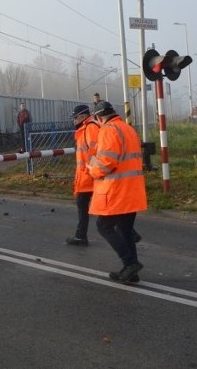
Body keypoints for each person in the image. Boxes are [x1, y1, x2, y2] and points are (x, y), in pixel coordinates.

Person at [87, 101, 148, 283]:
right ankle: (132, 272)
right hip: (132, 189)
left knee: (103, 226)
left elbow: (106, 162)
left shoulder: (108, 130)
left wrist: (91, 169)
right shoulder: (128, 129)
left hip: (116, 190)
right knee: (125, 230)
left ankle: (130, 264)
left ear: (99, 118)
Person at [65, 104, 99, 246]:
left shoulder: (90, 128)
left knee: (91, 207)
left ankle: (81, 236)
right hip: (87, 176)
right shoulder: (86, 129)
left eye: (75, 117)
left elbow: (95, 152)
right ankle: (80, 236)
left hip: (89, 177)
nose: (73, 120)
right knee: (87, 206)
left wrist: (90, 171)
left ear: (83, 117)